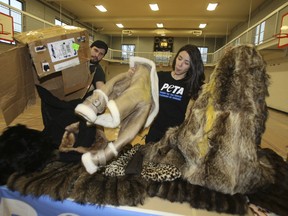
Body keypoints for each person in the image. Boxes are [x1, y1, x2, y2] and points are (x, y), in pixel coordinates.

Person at [145, 44, 205, 144]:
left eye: (186, 63)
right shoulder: (160, 77)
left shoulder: (193, 85)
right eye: (179, 58)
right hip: (155, 133)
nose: (180, 64)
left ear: (191, 66)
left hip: (175, 138)